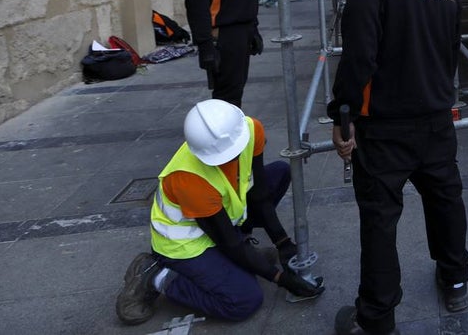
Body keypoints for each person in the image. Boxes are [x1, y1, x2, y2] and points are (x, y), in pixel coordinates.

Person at [329, 0, 468, 335]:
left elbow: (359, 56)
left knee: (379, 217)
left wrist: (342, 113)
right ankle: (456, 281)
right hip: (436, 118)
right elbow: (451, 53)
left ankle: (377, 314)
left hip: (384, 125)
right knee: (446, 200)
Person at [115, 99, 323, 325]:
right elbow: (229, 242)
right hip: (185, 245)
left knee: (280, 173)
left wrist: (282, 243)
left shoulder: (252, 129)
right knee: (244, 300)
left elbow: (259, 194)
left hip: (221, 221)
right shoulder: (190, 179)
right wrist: (280, 278)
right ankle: (156, 275)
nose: (231, 158)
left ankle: (235, 263)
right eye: (224, 156)